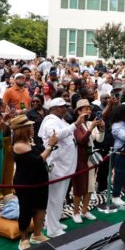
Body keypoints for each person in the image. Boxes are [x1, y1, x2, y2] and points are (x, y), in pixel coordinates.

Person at [38, 98, 86, 237]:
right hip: (57, 167)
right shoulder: (50, 121)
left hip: (65, 166)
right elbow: (56, 135)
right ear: (53, 108)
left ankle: (53, 223)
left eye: (65, 106)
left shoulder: (60, 120)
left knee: (59, 198)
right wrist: (75, 125)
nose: (64, 109)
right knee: (55, 199)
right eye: (61, 107)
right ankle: (53, 230)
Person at [11, 115, 58, 250]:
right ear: (22, 129)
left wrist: (49, 145)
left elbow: (42, 153)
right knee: (26, 210)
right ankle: (24, 238)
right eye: (29, 126)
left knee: (41, 207)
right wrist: (50, 145)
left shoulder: (33, 140)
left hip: (40, 179)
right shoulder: (19, 145)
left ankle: (37, 234)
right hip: (26, 182)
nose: (32, 127)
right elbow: (38, 161)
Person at [71, 99, 104, 223]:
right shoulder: (75, 125)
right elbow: (81, 141)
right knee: (79, 187)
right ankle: (75, 212)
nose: (89, 111)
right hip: (79, 160)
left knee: (90, 186)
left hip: (90, 159)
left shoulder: (90, 123)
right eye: (86, 109)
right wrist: (91, 128)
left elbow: (99, 140)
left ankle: (84, 210)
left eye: (89, 109)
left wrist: (102, 129)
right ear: (79, 111)